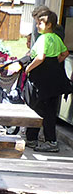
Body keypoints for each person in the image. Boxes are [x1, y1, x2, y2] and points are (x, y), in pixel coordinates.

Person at [24, 10, 70, 153]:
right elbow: (65, 53)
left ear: (49, 24)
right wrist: (55, 63)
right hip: (54, 79)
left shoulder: (43, 39)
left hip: (42, 80)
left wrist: (28, 68)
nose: (37, 26)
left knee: (36, 108)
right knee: (50, 111)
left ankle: (32, 138)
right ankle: (51, 140)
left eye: (40, 23)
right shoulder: (56, 38)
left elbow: (40, 57)